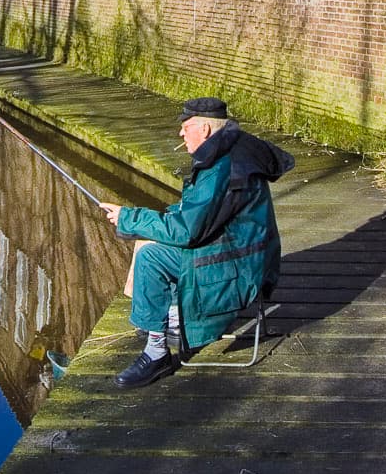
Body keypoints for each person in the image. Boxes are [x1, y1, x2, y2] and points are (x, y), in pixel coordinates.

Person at [99, 96, 294, 388]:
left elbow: (188, 232)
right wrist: (140, 220)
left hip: (239, 270)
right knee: (148, 241)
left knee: (150, 257)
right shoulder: (231, 151)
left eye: (186, 126)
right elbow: (200, 215)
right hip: (244, 255)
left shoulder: (221, 169)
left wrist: (131, 217)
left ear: (204, 130)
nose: (181, 133)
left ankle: (157, 355)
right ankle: (165, 320)